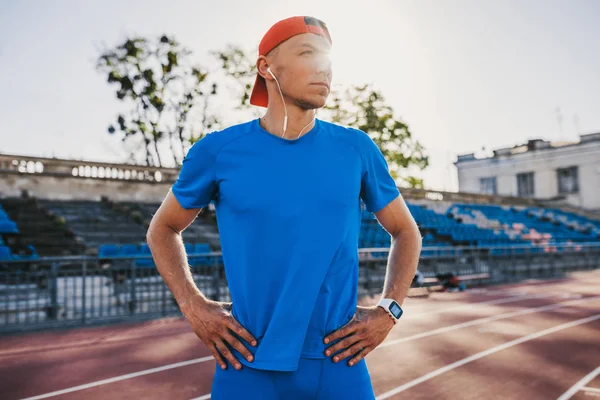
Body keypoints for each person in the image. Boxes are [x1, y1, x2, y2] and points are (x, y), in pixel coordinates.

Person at [147, 16, 422, 400]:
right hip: (245, 363)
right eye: (307, 52)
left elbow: (406, 231)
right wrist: (192, 305)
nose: (323, 66)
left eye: (327, 57)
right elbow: (162, 228)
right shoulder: (218, 150)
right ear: (265, 67)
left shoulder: (356, 149)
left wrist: (389, 310)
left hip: (338, 363)